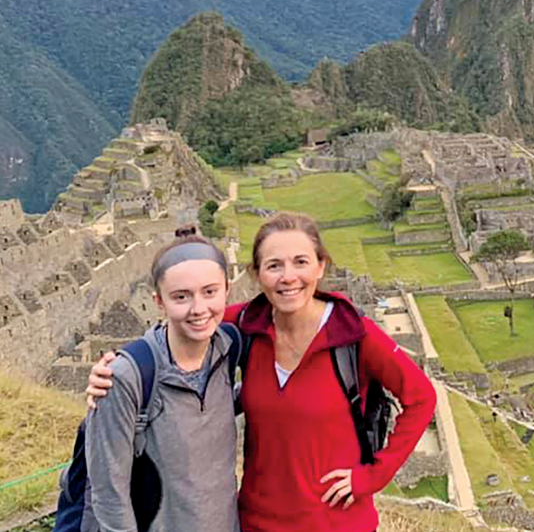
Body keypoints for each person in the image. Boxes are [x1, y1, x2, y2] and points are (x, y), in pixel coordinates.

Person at [89, 212, 437, 532]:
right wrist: (121, 367)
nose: (288, 277)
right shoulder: (244, 327)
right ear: (256, 275)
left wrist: (373, 476)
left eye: (301, 262)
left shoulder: (352, 335)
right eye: (274, 266)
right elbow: (185, 323)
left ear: (321, 266)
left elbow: (421, 398)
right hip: (257, 520)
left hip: (335, 521)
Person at [86, 228, 239, 532]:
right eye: (181, 296)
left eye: (210, 292)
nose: (198, 309)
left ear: (227, 291)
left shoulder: (229, 349)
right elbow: (108, 491)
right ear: (159, 301)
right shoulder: (127, 376)